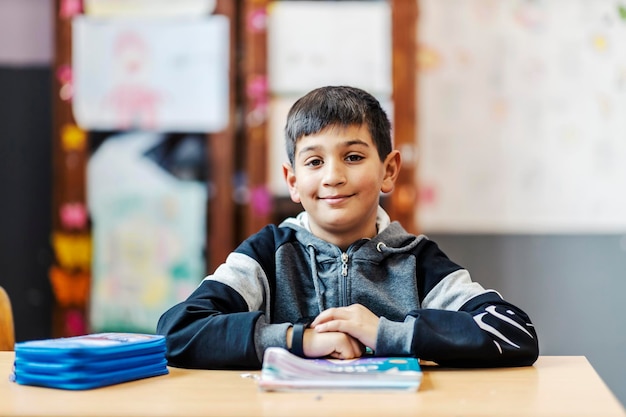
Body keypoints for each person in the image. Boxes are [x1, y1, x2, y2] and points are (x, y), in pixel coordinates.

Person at [157, 86, 539, 369]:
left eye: (353, 157)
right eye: (314, 162)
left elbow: (514, 332)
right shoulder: (267, 254)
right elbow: (177, 332)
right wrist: (297, 340)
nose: (333, 176)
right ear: (292, 181)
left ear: (388, 171)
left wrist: (385, 334)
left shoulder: (417, 260)